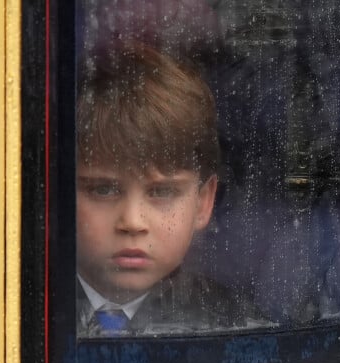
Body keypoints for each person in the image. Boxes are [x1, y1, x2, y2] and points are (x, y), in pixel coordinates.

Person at [75, 41, 262, 337]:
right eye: (103, 190)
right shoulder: (19, 310)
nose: (132, 222)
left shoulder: (233, 324)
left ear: (202, 202)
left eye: (161, 192)